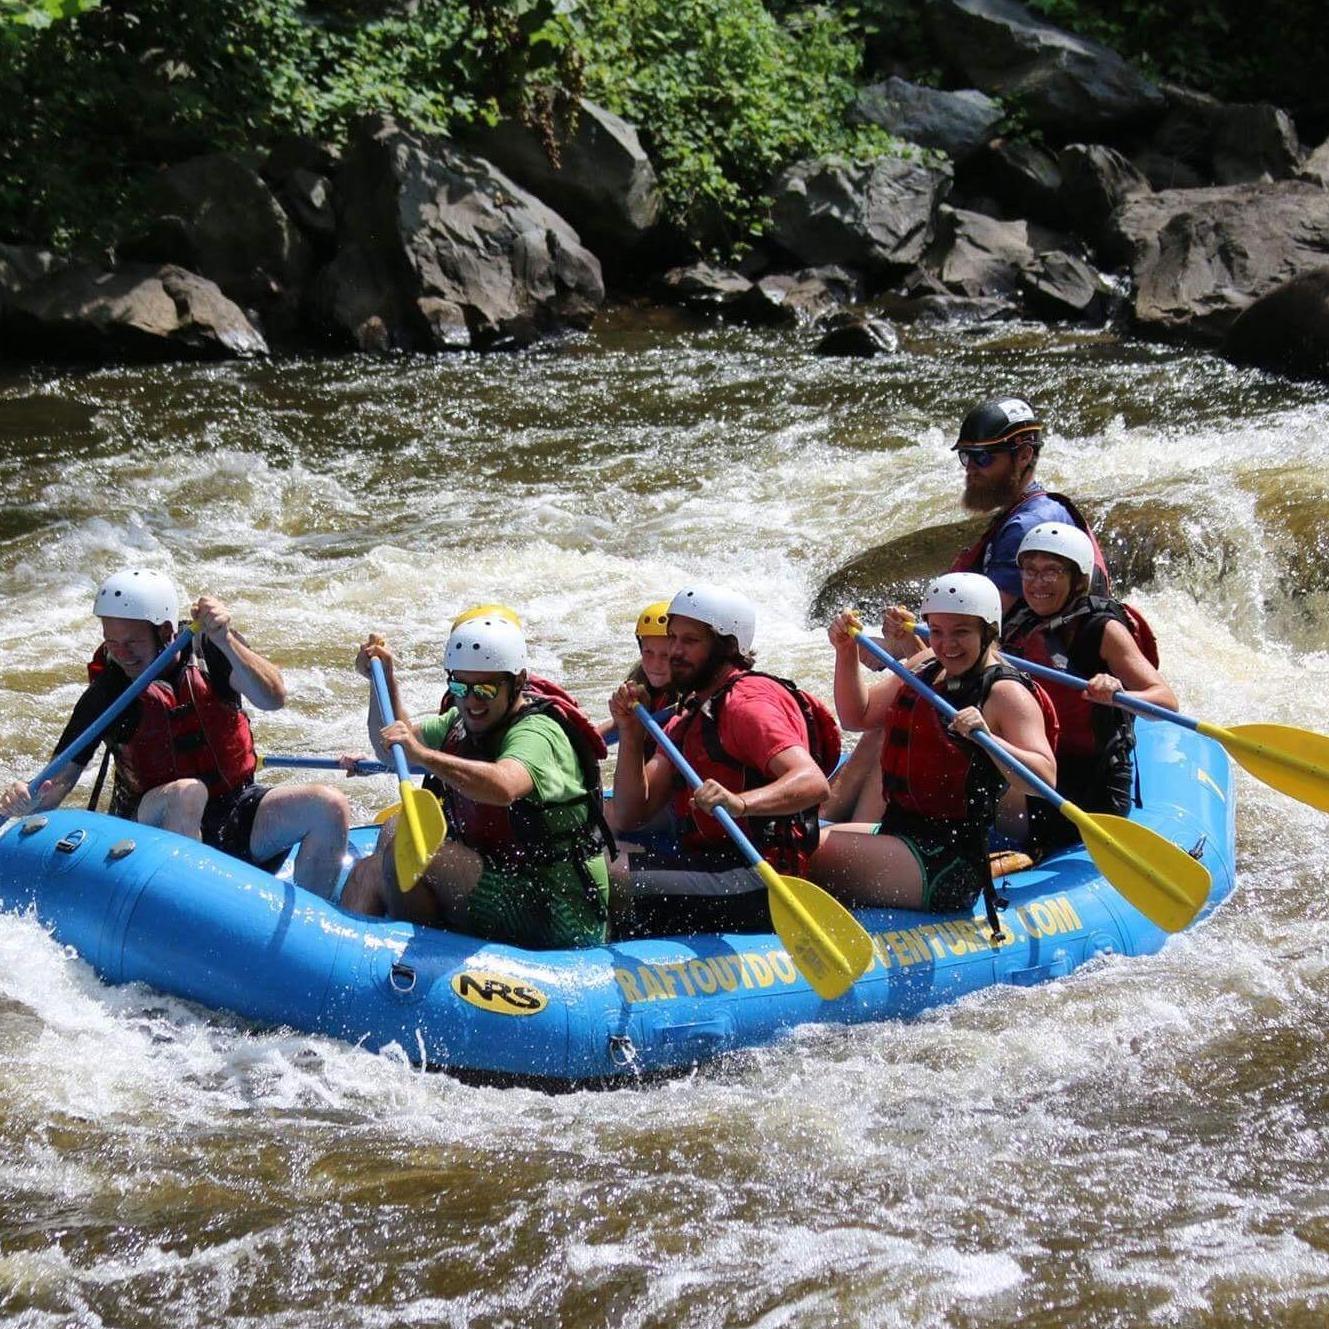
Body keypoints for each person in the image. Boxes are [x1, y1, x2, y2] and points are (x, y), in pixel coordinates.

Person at [0, 569, 350, 896]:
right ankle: (190, 908)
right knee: (188, 793)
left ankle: (305, 936)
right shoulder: (109, 692)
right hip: (149, 829)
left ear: (166, 631)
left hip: (234, 811)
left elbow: (273, 698)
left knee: (328, 805)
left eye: (132, 642)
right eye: (112, 641)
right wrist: (25, 800)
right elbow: (57, 784)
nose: (121, 654)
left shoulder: (212, 651)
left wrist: (226, 639)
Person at [339, 613, 612, 949]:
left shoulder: (538, 733)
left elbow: (503, 786)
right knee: (396, 829)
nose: (470, 700)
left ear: (517, 682)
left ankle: (420, 964)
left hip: (556, 908)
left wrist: (426, 758)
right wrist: (384, 680)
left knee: (410, 854)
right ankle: (342, 961)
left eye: (484, 689)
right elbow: (393, 748)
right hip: (504, 879)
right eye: (460, 686)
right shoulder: (460, 721)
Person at [810, 573, 1057, 923]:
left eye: (961, 632)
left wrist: (990, 737)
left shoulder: (1005, 693)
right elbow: (857, 715)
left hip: (948, 862)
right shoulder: (925, 667)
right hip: (903, 833)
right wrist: (846, 652)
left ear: (988, 632)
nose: (946, 644)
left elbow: (1045, 779)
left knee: (799, 855)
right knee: (793, 839)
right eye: (937, 631)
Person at [608, 584, 836, 935]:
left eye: (690, 641)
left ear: (728, 647)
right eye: (673, 638)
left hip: (760, 877)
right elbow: (630, 814)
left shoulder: (746, 705)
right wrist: (630, 734)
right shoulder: (691, 711)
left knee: (611, 877)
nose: (674, 652)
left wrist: (739, 803)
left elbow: (812, 782)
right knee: (595, 853)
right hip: (712, 863)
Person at [997, 522, 1175, 852]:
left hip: (1093, 783)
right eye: (1030, 571)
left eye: (1051, 572)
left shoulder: (1102, 629)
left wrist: (1119, 695)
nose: (1037, 583)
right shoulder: (1020, 618)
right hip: (1038, 763)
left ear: (1077, 578)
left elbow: (1165, 702)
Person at [948, 396, 1109, 612]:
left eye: (983, 458)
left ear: (1024, 456)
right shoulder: (1044, 505)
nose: (970, 469)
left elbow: (980, 618)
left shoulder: (1025, 527)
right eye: (966, 457)